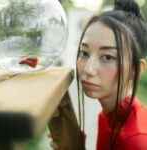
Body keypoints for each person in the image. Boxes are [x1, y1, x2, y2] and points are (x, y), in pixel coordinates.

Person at [49, 0, 147, 149]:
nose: (88, 69)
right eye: (84, 53)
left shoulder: (136, 141)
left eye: (108, 57)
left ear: (137, 70)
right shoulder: (106, 117)